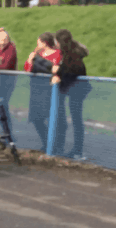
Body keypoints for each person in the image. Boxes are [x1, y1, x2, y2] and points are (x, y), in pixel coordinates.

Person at [51, 29, 91, 159]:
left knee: (77, 120)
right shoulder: (70, 53)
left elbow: (72, 70)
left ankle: (78, 151)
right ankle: (75, 149)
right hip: (75, 90)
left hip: (77, 90)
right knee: (75, 120)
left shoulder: (72, 55)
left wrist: (59, 75)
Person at [24, 32, 63, 152]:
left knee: (51, 117)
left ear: (44, 43)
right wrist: (30, 60)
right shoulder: (38, 54)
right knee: (36, 118)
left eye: (39, 41)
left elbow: (57, 68)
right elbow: (27, 69)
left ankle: (55, 145)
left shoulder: (57, 54)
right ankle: (46, 142)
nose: (37, 44)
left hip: (49, 89)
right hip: (36, 89)